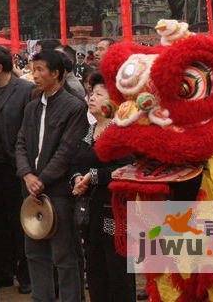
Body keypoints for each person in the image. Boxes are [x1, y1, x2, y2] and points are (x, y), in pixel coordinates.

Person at [16, 49, 87, 302]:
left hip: (58, 191)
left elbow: (67, 151)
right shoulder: (33, 106)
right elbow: (21, 143)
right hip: (31, 189)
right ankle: (41, 297)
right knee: (34, 252)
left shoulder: (74, 107)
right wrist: (26, 174)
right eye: (33, 69)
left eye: (40, 70)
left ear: (56, 73)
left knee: (64, 255)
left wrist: (42, 179)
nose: (34, 75)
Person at [70, 72, 136, 302]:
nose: (91, 98)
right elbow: (77, 161)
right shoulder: (89, 131)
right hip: (91, 211)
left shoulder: (120, 132)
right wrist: (78, 178)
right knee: (95, 267)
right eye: (90, 93)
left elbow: (126, 169)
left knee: (117, 267)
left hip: (115, 210)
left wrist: (93, 176)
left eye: (99, 94)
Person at [0, 46, 32, 294]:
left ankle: (26, 275)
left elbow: (27, 130)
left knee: (18, 222)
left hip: (16, 168)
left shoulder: (25, 91)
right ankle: (3, 271)